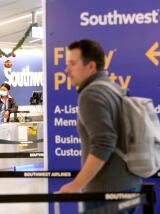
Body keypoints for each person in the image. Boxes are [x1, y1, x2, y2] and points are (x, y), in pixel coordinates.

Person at [59, 39, 141, 213]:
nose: (67, 70)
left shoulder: (91, 93)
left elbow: (104, 142)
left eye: (73, 64)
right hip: (129, 185)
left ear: (91, 66)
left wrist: (77, 184)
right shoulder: (115, 88)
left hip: (106, 192)